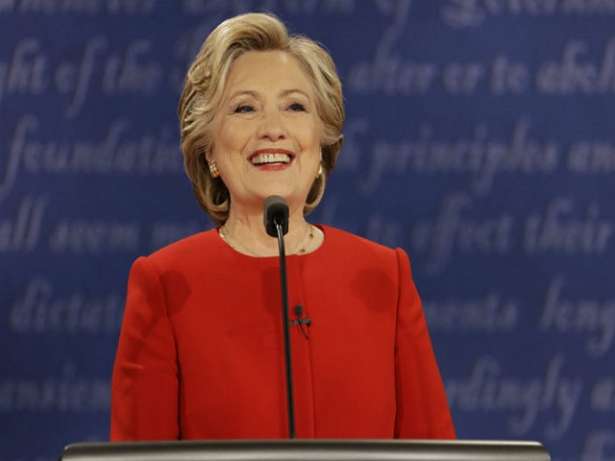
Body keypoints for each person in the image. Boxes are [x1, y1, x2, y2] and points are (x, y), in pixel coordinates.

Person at [110, 12, 455, 440]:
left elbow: (433, 449)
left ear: (322, 143)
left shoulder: (385, 276)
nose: (273, 129)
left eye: (294, 106)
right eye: (245, 108)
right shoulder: (166, 284)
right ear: (210, 150)